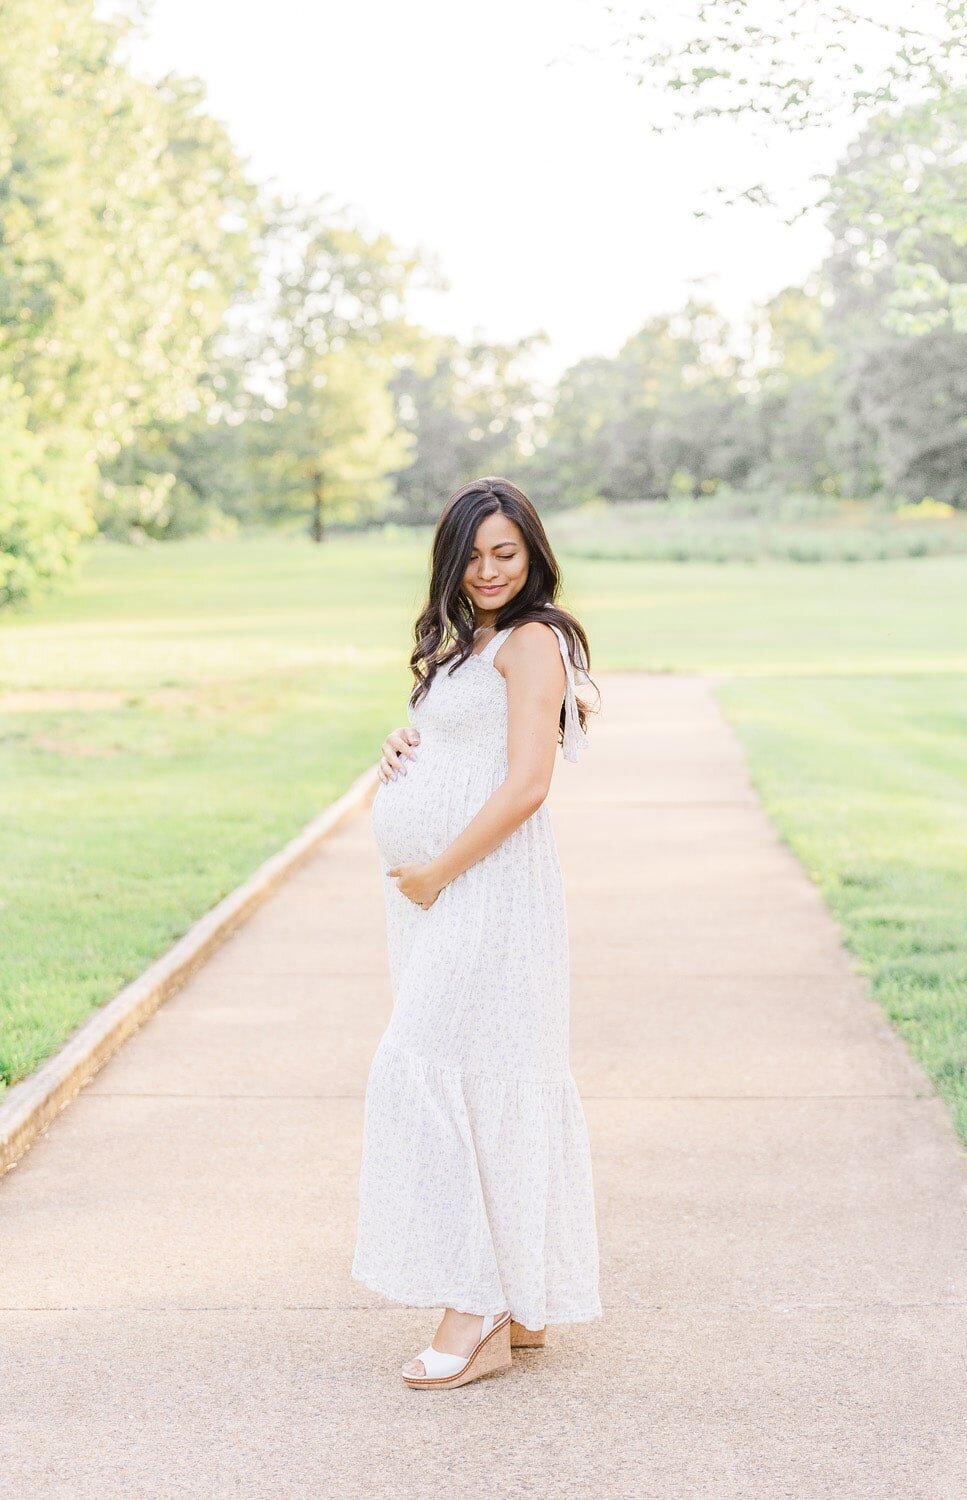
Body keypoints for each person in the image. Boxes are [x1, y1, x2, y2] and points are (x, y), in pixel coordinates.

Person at [350, 476, 602, 1390]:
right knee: (485, 1068)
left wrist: (438, 871)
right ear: (450, 560)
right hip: (442, 893)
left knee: (424, 1069)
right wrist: (400, 746)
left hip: (485, 893)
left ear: (531, 554)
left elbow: (530, 781)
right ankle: (525, 1299)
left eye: (508, 552)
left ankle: (477, 1298)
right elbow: (467, 746)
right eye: (475, 554)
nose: (491, 570)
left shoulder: (535, 639)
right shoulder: (472, 643)